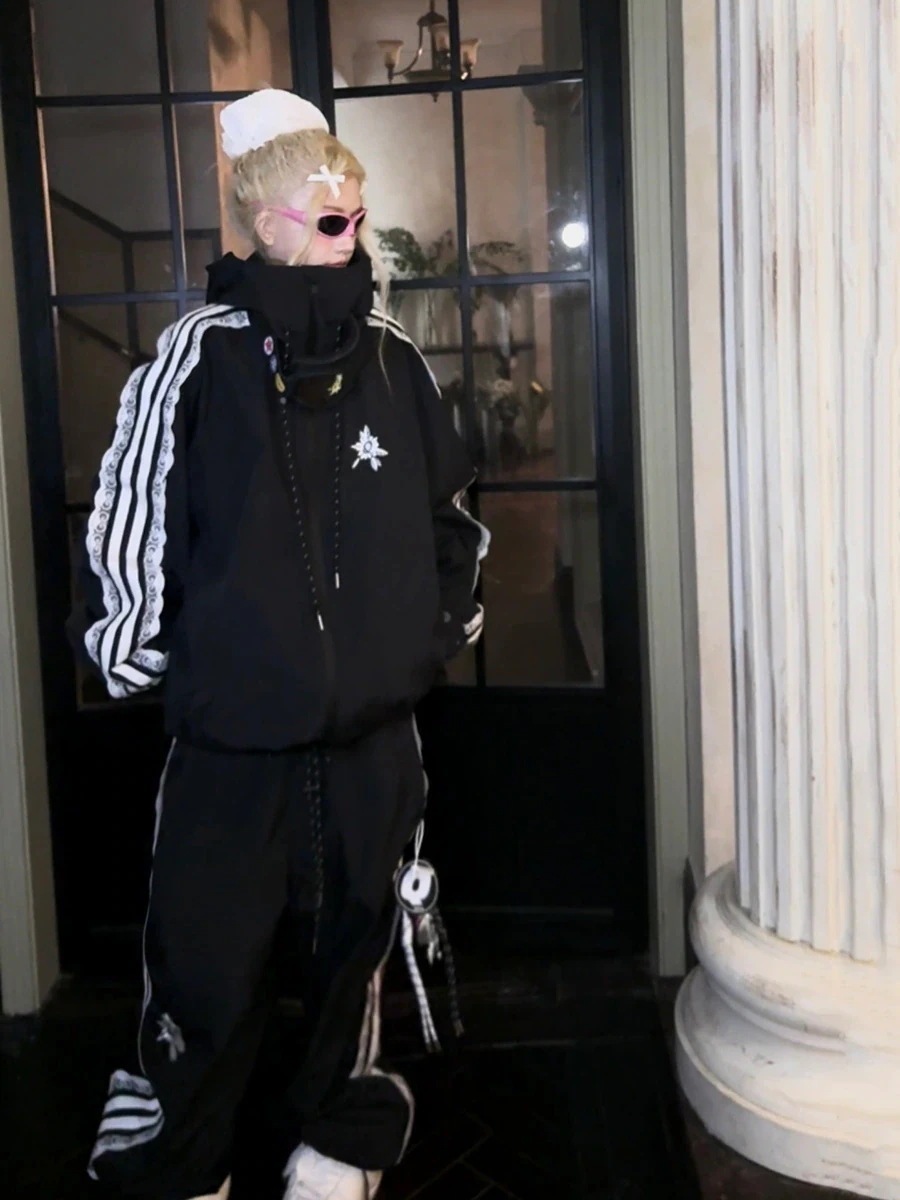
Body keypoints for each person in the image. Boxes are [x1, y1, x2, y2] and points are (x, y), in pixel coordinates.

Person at [71, 88, 488, 1200]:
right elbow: (131, 514)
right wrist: (146, 650)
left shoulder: (394, 359)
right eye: (329, 213)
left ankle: (340, 1136)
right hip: (231, 742)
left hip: (372, 740)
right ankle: (187, 1152)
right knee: (204, 955)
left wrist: (429, 638)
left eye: (357, 210)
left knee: (357, 948)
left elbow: (453, 519)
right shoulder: (194, 359)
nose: (352, 228)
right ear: (265, 222)